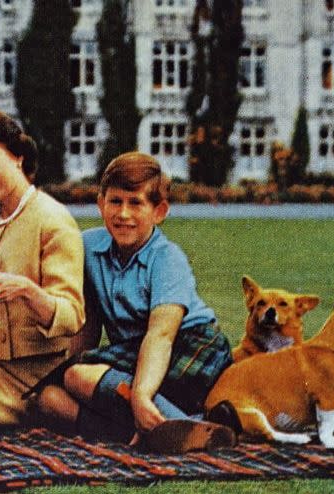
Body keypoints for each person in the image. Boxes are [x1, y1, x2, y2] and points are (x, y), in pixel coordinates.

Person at [37, 151, 235, 452]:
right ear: (101, 204)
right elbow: (87, 325)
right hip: (133, 356)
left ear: (159, 211)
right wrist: (57, 368)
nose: (124, 214)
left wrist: (141, 394)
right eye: (115, 202)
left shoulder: (167, 259)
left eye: (136, 203)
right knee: (50, 398)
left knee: (79, 375)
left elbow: (161, 335)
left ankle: (190, 426)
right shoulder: (87, 247)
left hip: (188, 346)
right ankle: (156, 429)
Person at [0, 108, 86, 426]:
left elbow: (71, 316)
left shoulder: (52, 220)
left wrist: (27, 291)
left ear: (18, 157)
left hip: (29, 379)